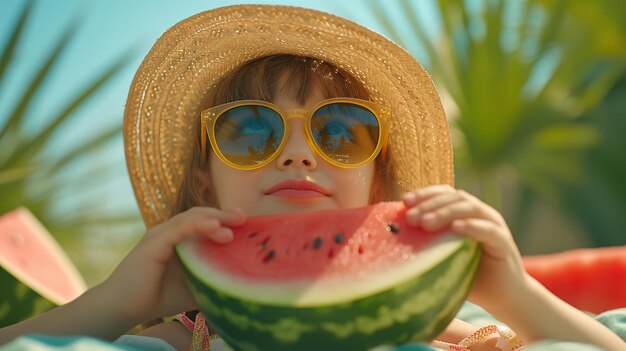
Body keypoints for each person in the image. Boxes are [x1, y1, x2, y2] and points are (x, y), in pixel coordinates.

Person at [1, 5, 624, 351]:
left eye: (340, 132)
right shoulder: (180, 338)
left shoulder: (436, 327)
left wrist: (511, 293)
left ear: (377, 186)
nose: (299, 156)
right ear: (202, 181)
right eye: (251, 131)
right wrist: (116, 304)